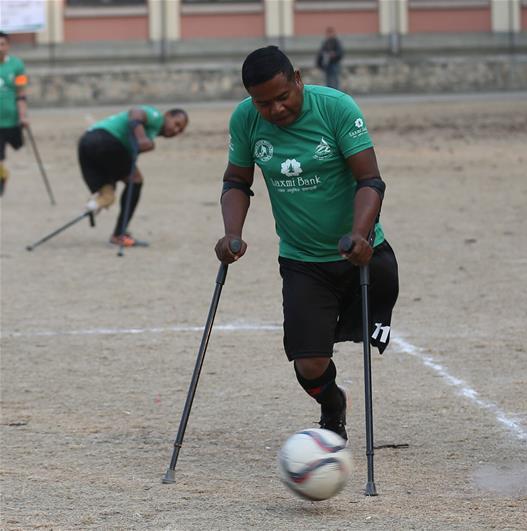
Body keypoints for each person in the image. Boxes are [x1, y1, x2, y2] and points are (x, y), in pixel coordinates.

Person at [215, 46, 398, 441]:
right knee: (309, 364)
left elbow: (370, 180)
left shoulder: (336, 108)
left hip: (361, 253)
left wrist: (360, 234)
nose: (275, 109)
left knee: (363, 335)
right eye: (263, 103)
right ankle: (333, 404)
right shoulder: (245, 119)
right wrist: (232, 233)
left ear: (297, 78)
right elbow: (236, 181)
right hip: (303, 261)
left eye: (283, 97)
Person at [79, 106, 188, 247]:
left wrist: (145, 143)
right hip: (106, 139)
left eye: (180, 130)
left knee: (108, 194)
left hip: (86, 144)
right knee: (135, 180)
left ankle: (95, 204)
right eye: (176, 124)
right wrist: (141, 138)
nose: (176, 130)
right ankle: (119, 234)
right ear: (167, 115)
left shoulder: (151, 134)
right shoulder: (156, 117)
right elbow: (136, 112)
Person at [0, 31, 29, 197]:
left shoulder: (17, 65)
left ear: (8, 46)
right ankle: (2, 176)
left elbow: (21, 92)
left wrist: (23, 115)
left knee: (18, 146)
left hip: (12, 119)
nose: (0, 48)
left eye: (2, 44)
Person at [316, 27, 344, 91]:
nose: (329, 35)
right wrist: (320, 63)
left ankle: (335, 93)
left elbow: (340, 53)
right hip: (327, 65)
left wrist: (334, 54)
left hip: (334, 64)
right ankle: (330, 93)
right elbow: (320, 53)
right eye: (328, 33)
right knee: (328, 82)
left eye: (330, 33)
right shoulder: (325, 42)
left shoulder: (336, 42)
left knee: (335, 81)